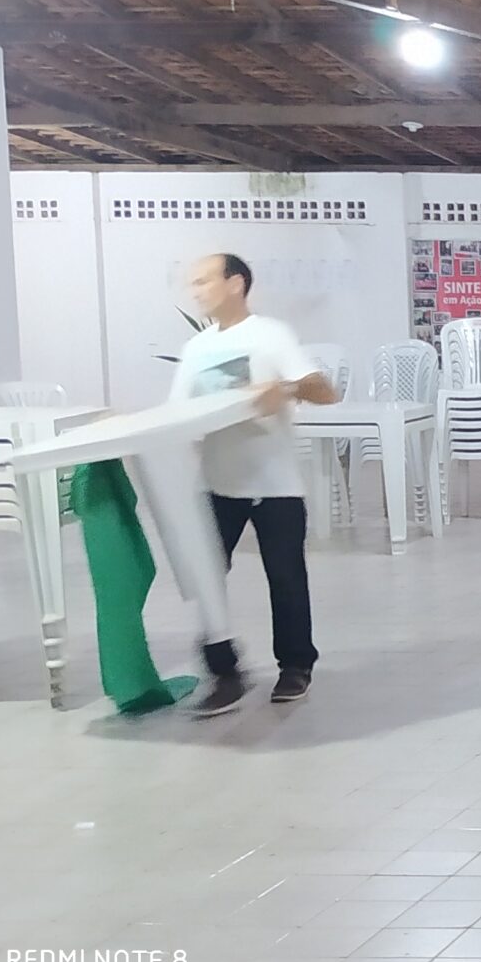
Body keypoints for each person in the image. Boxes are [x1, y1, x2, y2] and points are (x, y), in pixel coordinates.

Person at [168, 253, 341, 716]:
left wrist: (285, 390)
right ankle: (224, 672)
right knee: (207, 578)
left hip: (275, 484)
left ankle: (296, 666)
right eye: (193, 283)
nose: (196, 291)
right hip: (216, 484)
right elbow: (178, 413)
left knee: (285, 577)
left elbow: (325, 390)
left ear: (236, 284)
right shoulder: (196, 349)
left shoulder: (271, 335)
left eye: (205, 281)